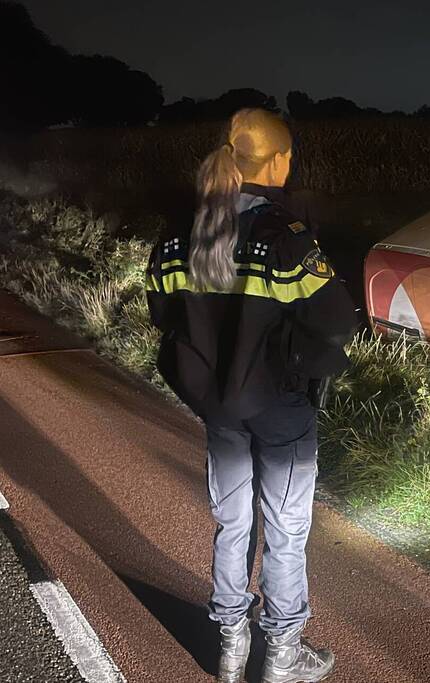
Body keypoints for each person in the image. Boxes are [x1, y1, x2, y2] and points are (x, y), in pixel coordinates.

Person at [146, 108, 358, 683]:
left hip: (218, 409)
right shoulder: (285, 239)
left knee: (232, 524)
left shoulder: (179, 235)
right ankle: (283, 657)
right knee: (286, 534)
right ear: (280, 162)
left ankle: (231, 649)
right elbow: (336, 320)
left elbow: (163, 314)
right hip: (281, 409)